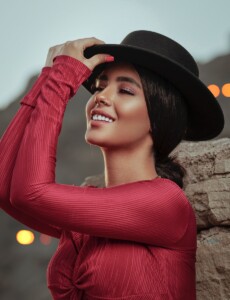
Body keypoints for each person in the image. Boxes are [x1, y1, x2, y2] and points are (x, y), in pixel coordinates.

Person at [0, 30, 224, 299]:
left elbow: (30, 192)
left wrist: (61, 79)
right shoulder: (92, 213)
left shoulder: (164, 202)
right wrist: (47, 75)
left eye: (126, 90)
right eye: (99, 86)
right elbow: (5, 188)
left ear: (159, 118)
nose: (101, 97)